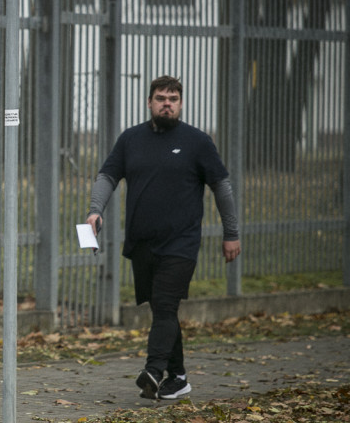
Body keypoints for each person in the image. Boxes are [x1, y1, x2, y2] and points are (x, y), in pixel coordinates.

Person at [86, 76, 240, 401]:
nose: (166, 103)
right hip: (143, 243)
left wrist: (231, 233)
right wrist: (95, 210)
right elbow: (108, 175)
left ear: (181, 104)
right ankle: (179, 377)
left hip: (181, 243)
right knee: (161, 310)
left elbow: (221, 187)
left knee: (167, 304)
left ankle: (154, 372)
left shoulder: (197, 142)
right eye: (160, 98)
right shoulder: (131, 140)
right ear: (149, 102)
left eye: (173, 98)